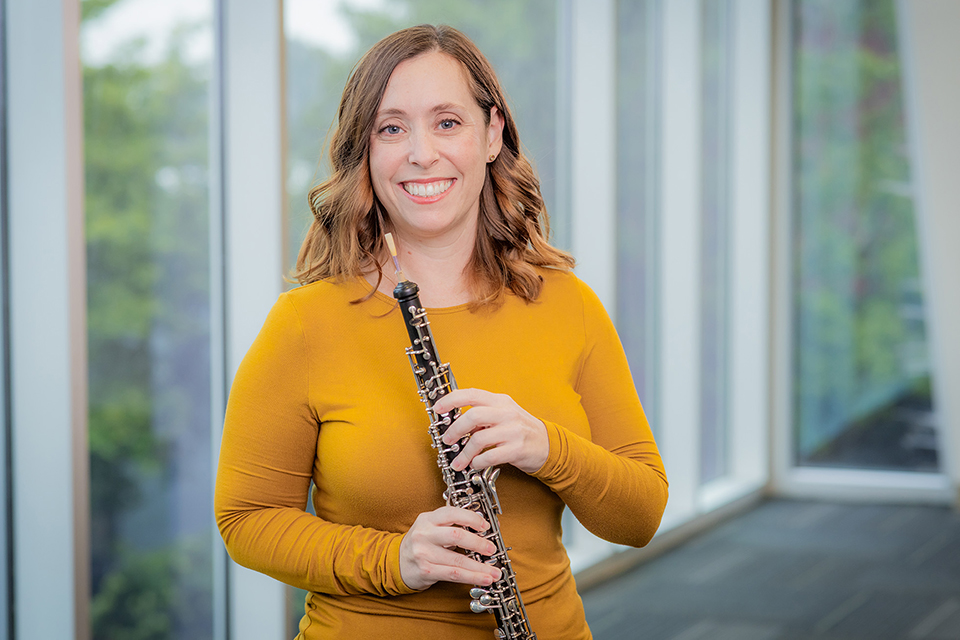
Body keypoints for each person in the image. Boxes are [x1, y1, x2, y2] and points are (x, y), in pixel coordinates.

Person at [215, 24, 667, 639]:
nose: (421, 152)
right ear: (365, 153)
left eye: (447, 122)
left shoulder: (566, 303)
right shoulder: (306, 323)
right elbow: (247, 520)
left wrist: (545, 447)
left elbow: (639, 517)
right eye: (391, 128)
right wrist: (394, 560)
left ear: (491, 134)